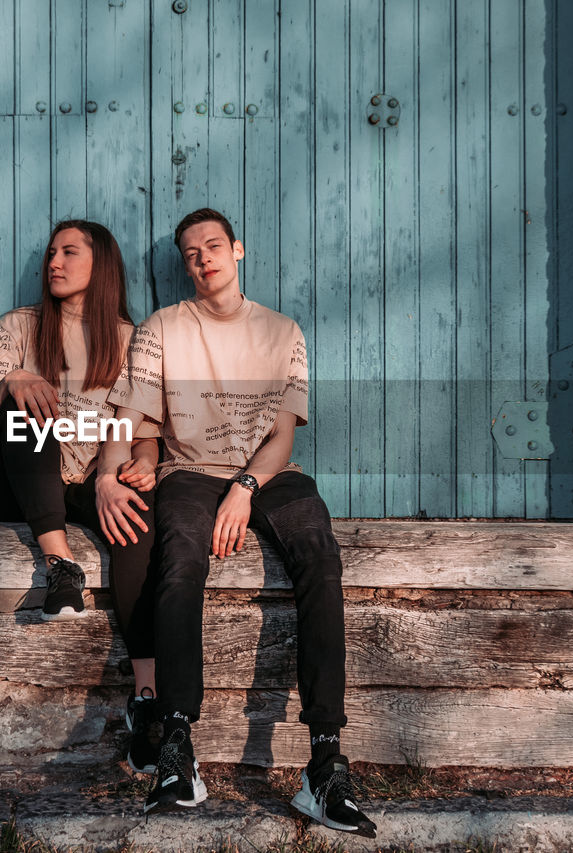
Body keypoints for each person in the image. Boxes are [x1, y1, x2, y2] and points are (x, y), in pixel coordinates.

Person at [95, 208, 376, 837]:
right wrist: (108, 476)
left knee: (320, 558)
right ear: (184, 263)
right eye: (191, 252)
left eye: (213, 246)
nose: (203, 259)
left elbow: (279, 438)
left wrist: (246, 487)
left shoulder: (283, 332)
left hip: (270, 475)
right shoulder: (162, 329)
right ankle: (177, 743)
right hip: (189, 472)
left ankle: (325, 763)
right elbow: (129, 416)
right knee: (181, 560)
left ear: (238, 250)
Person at [0, 219, 162, 770]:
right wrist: (16, 379)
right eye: (50, 253)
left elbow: (141, 427)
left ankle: (147, 699)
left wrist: (139, 465)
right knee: (20, 406)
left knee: (136, 515)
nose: (53, 262)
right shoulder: (20, 326)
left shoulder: (132, 339)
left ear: (100, 264)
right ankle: (62, 566)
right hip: (23, 481)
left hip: (93, 478)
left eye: (68, 252)